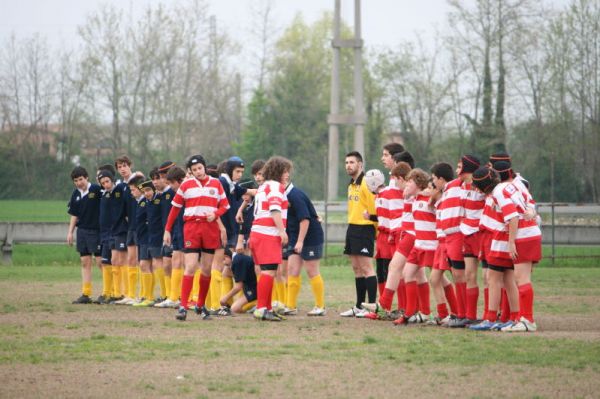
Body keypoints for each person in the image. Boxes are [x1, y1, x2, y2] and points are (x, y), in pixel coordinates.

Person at [469, 164, 541, 332]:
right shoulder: (511, 184)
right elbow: (528, 202)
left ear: (483, 187)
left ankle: (526, 320)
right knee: (515, 278)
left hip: (523, 234)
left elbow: (513, 217)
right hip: (528, 232)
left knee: (520, 279)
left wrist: (511, 243)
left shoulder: (498, 192)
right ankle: (519, 318)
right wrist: (531, 212)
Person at [164, 154, 229, 321]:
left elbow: (225, 206)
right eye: (194, 170)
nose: (198, 171)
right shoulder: (186, 185)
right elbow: (175, 209)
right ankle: (183, 306)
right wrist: (167, 230)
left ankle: (200, 305)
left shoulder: (216, 183)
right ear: (190, 172)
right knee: (191, 266)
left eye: (200, 168)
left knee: (207, 269)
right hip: (192, 227)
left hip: (210, 228)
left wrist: (215, 214)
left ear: (204, 167)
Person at [361, 162, 412, 320]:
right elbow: (385, 216)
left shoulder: (392, 192)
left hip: (393, 235)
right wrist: (371, 217)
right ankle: (384, 308)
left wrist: (391, 232)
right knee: (382, 270)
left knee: (398, 271)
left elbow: (396, 215)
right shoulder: (379, 196)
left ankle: (403, 307)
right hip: (383, 235)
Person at [249, 156, 291, 322]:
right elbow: (274, 210)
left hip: (259, 233)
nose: (287, 175)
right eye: (285, 171)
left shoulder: (264, 186)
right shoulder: (275, 186)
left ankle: (266, 308)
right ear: (278, 171)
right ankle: (261, 308)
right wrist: (282, 231)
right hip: (267, 233)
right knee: (268, 271)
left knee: (270, 270)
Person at [339, 151, 377, 318]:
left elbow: (374, 210)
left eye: (352, 162)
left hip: (365, 228)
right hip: (352, 228)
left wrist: (375, 230)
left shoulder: (367, 184)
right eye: (346, 162)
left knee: (367, 268)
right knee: (356, 268)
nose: (348, 165)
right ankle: (359, 305)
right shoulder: (351, 184)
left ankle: (372, 306)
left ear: (360, 165)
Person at [283, 172, 326, 316]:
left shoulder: (295, 195)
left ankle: (320, 306)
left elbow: (305, 220)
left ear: (286, 176)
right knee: (292, 269)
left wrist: (300, 241)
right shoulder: (281, 195)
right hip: (296, 237)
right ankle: (291, 306)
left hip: (310, 236)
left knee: (311, 270)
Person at [67, 166, 103, 304]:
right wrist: (70, 232)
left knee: (100, 262)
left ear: (87, 178)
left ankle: (108, 292)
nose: (78, 183)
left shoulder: (96, 189)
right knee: (85, 262)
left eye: (80, 179)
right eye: (75, 180)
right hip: (81, 231)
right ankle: (86, 294)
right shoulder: (75, 194)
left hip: (96, 231)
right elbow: (74, 214)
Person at [430, 163, 459, 325]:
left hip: (449, 242)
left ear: (441, 179)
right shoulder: (440, 200)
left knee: (458, 277)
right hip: (440, 244)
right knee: (434, 279)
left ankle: (458, 314)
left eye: (434, 179)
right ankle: (444, 314)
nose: (433, 184)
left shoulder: (450, 195)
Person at [114, 155, 140, 305]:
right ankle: (130, 294)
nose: (122, 169)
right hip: (130, 228)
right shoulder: (120, 187)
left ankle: (143, 294)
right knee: (130, 260)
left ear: (130, 165)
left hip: (141, 227)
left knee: (143, 261)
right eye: (119, 167)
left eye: (124, 165)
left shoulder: (139, 180)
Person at [218, 248, 258, 314]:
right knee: (225, 272)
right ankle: (228, 305)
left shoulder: (237, 261)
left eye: (223, 260)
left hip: (254, 289)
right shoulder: (236, 259)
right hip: (249, 286)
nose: (223, 263)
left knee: (234, 309)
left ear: (226, 257)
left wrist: (225, 298)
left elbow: (238, 287)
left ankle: (255, 305)